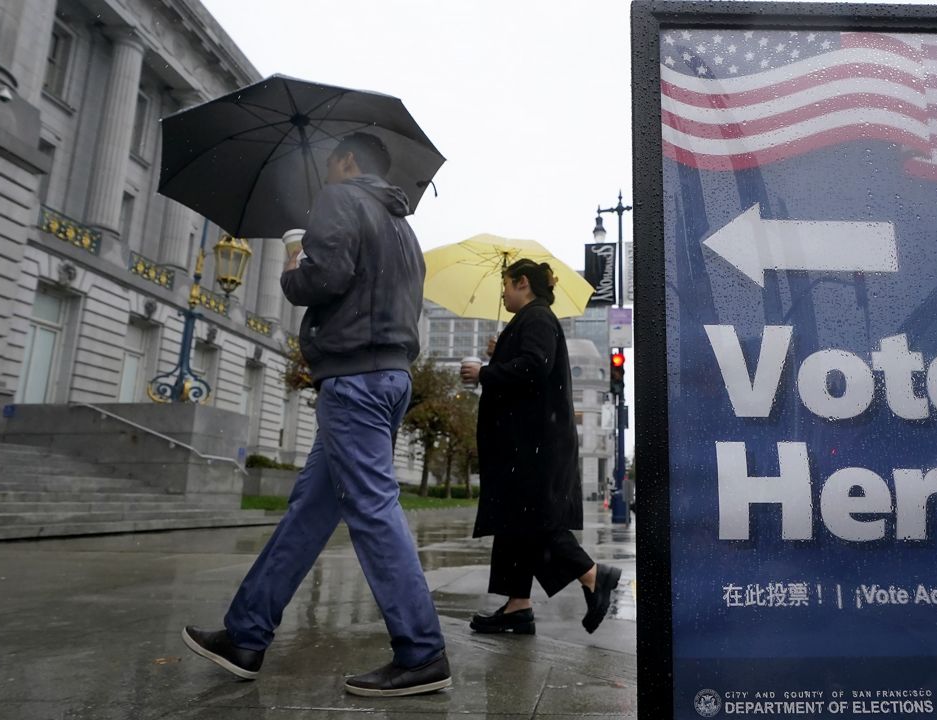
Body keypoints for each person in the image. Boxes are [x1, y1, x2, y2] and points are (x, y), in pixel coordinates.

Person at [182, 132, 450, 697]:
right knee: (309, 513)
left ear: (347, 162)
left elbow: (323, 281)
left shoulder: (340, 199)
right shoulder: (404, 229)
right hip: (389, 374)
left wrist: (293, 265)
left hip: (354, 377)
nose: (325, 176)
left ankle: (422, 651)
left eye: (329, 165)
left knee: (374, 511)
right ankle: (245, 635)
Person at [459, 258, 622, 636]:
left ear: (522, 284)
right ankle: (518, 606)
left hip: (533, 446)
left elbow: (533, 367)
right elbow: (529, 363)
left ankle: (595, 575)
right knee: (514, 523)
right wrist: (501, 352)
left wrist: (484, 371)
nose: (502, 293)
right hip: (527, 445)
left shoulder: (537, 318)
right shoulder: (533, 320)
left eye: (505, 285)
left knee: (535, 523)